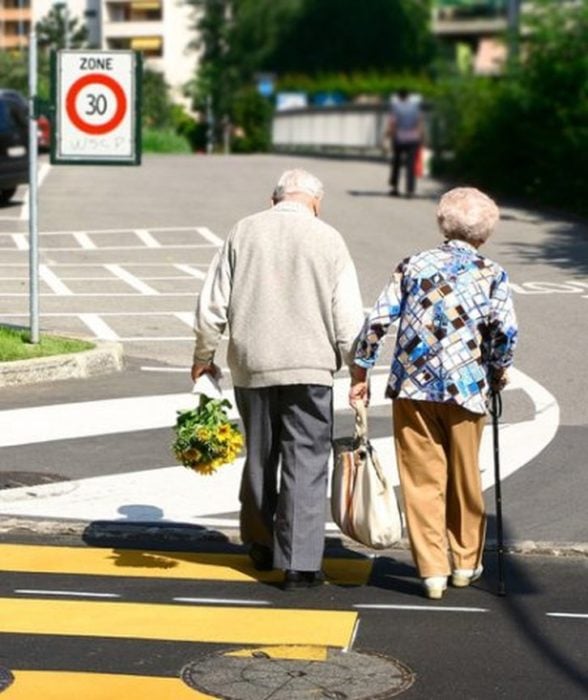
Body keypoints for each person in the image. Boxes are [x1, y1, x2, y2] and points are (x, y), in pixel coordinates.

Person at [191, 168, 364, 590]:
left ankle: (261, 543)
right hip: (311, 368)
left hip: (253, 365)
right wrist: (358, 369)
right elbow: (349, 319)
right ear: (316, 204)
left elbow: (212, 304)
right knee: (306, 461)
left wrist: (203, 357)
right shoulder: (330, 239)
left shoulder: (243, 232)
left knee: (260, 454)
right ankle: (301, 564)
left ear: (274, 199)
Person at [349, 187, 518, 600]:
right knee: (465, 477)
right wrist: (497, 371)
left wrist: (361, 369)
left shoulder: (412, 265)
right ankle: (465, 562)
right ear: (485, 232)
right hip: (467, 388)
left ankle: (432, 572)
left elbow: (377, 321)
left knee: (422, 481)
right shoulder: (492, 273)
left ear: (444, 222)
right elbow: (505, 332)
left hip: (413, 386)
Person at [387, 89, 424, 199]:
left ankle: (395, 188)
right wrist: (421, 137)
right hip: (413, 139)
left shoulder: (395, 107)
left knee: (396, 163)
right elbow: (419, 122)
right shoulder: (415, 107)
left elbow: (393, 123)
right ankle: (410, 190)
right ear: (408, 96)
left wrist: (390, 136)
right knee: (410, 165)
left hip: (399, 138)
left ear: (398, 97)